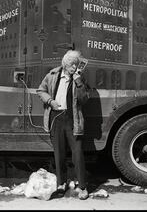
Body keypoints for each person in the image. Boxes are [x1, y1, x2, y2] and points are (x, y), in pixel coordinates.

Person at [37, 49, 90, 200]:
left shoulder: (79, 78)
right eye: (72, 64)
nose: (75, 67)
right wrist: (50, 101)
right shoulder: (53, 75)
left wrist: (79, 81)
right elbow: (41, 90)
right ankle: (61, 183)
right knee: (59, 153)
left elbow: (84, 99)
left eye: (77, 64)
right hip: (56, 117)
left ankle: (82, 187)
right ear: (66, 64)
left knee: (77, 154)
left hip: (72, 118)